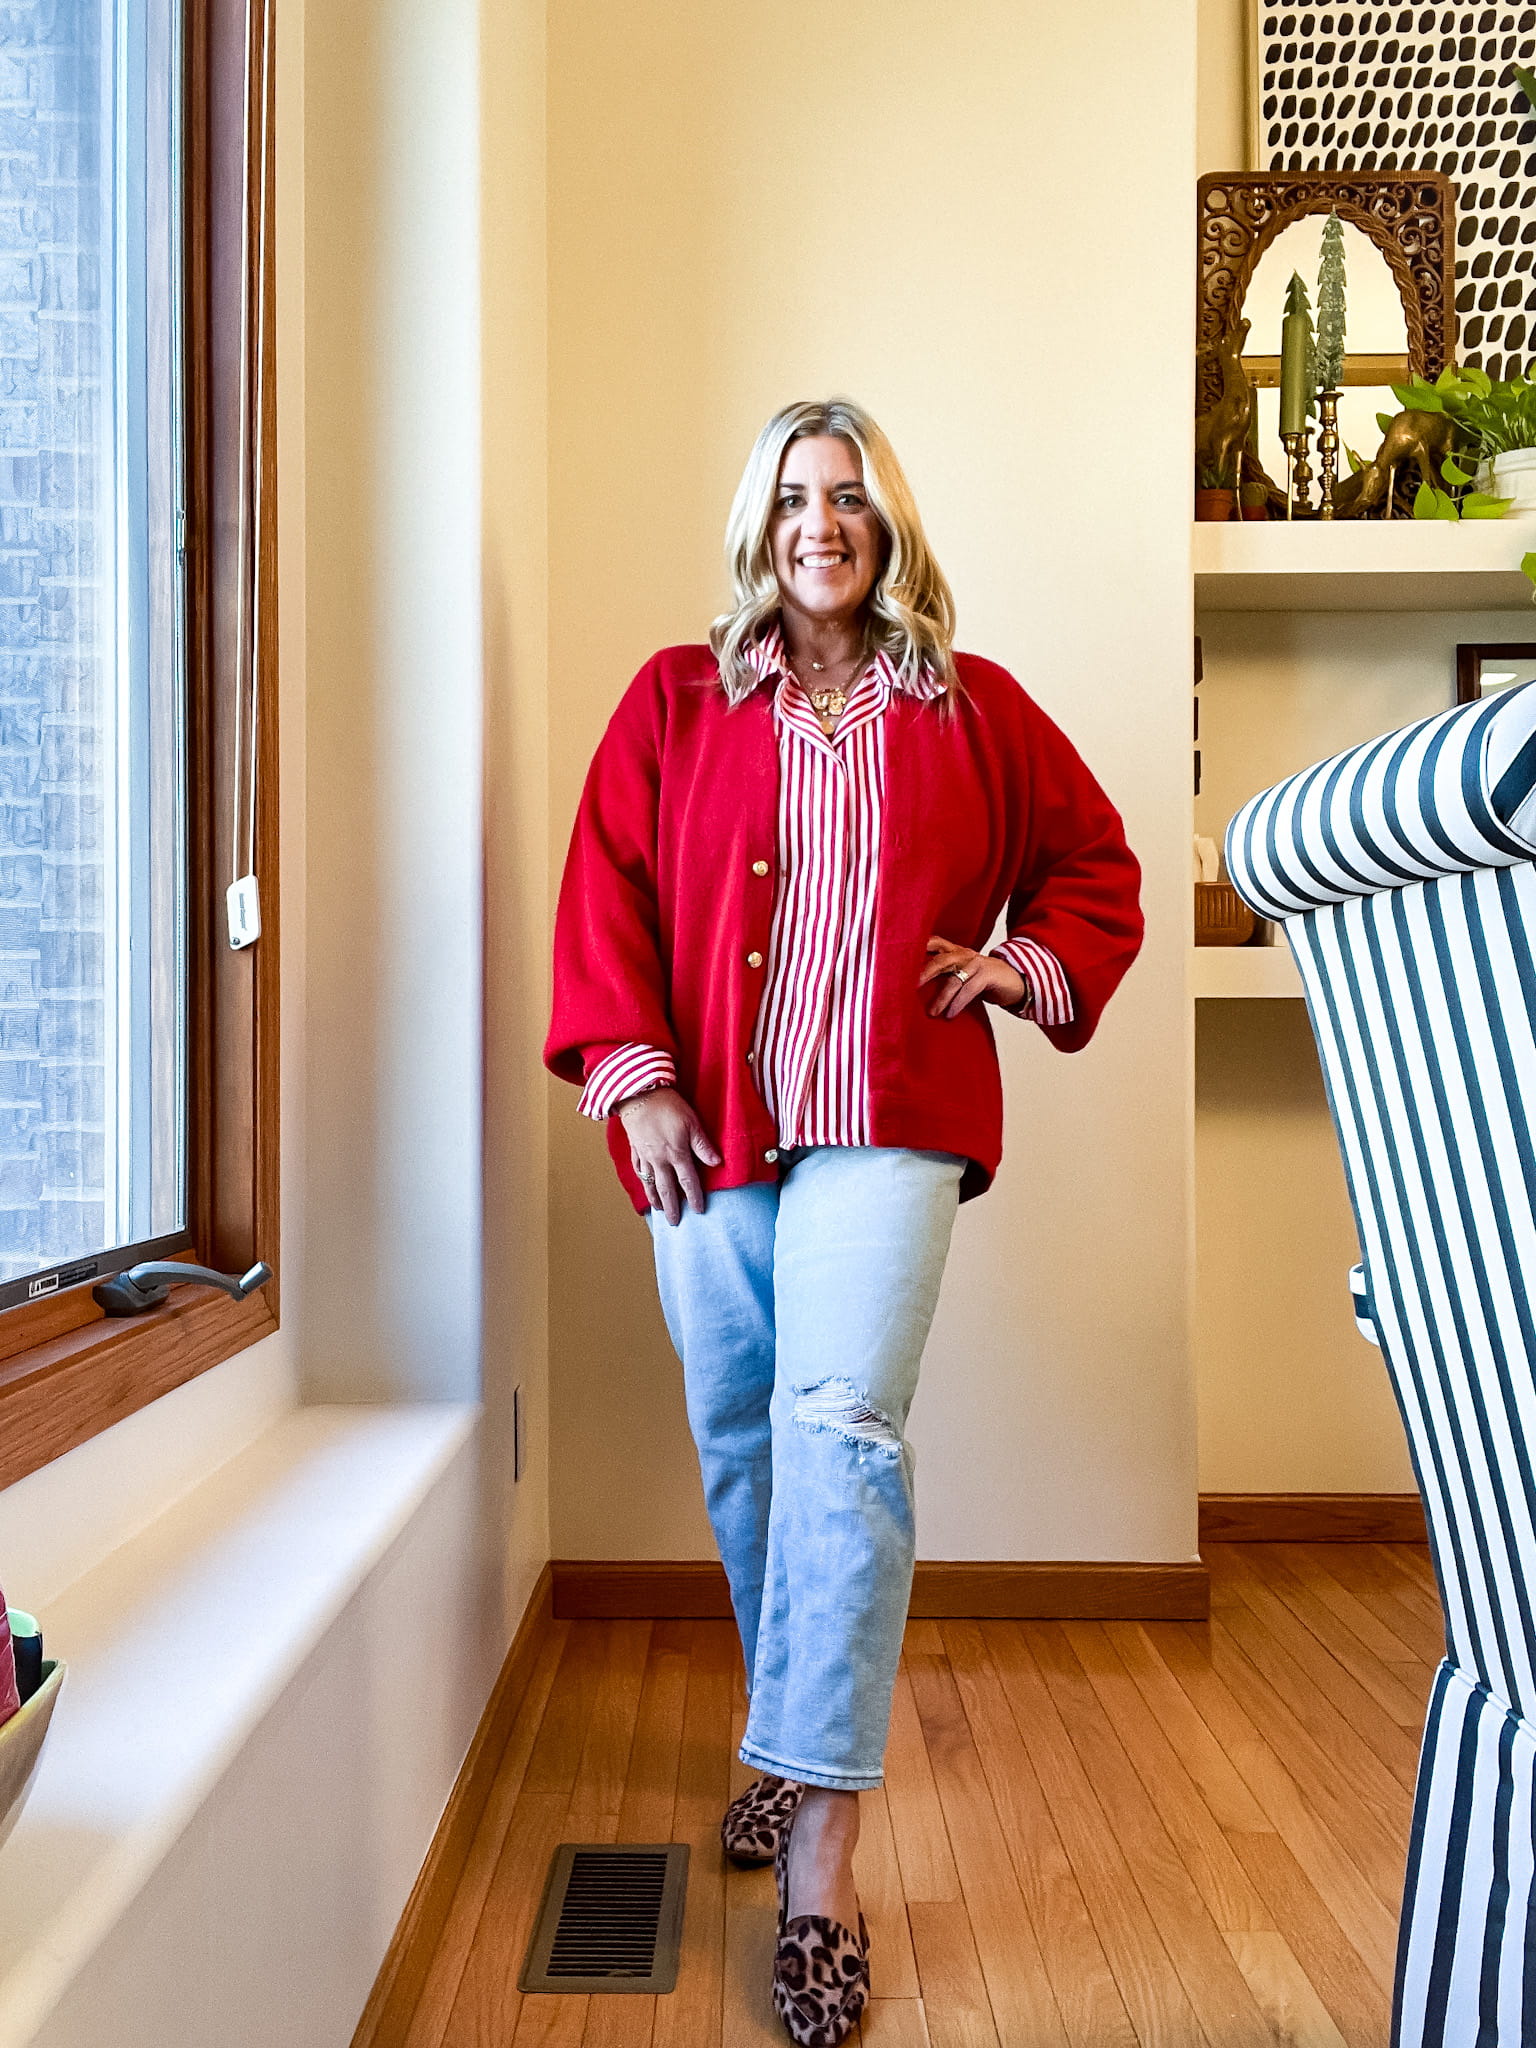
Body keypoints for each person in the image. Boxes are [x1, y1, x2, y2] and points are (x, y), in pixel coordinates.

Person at [546, 397, 1142, 2044]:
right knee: (746, 1441)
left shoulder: (973, 706)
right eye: (798, 496)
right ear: (764, 521)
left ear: (891, 529)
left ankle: (821, 1848)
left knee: (841, 1433)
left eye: (853, 499)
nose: (824, 524)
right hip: (713, 1131)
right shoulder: (675, 699)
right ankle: (784, 1729)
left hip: (890, 1125)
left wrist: (1013, 967)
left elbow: (1097, 867)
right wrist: (635, 1080)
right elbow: (604, 891)